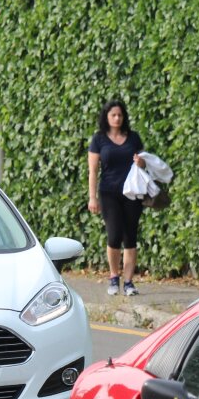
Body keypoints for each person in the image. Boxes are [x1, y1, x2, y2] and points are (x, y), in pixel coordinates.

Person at [86, 99, 147, 296]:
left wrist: (141, 163)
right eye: (113, 115)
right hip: (108, 193)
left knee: (130, 237)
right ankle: (114, 277)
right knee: (114, 236)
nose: (117, 118)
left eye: (120, 115)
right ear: (106, 116)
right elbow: (93, 171)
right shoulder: (99, 139)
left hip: (132, 193)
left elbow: (145, 164)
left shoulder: (133, 138)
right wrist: (92, 198)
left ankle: (128, 282)